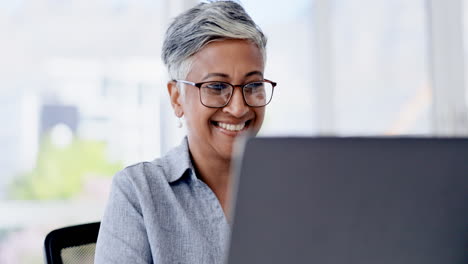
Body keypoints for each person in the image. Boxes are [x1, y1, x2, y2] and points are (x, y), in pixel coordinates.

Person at [94, 1, 276, 263]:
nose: (238, 108)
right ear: (177, 97)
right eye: (216, 87)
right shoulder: (139, 191)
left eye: (252, 85)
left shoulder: (292, 187)